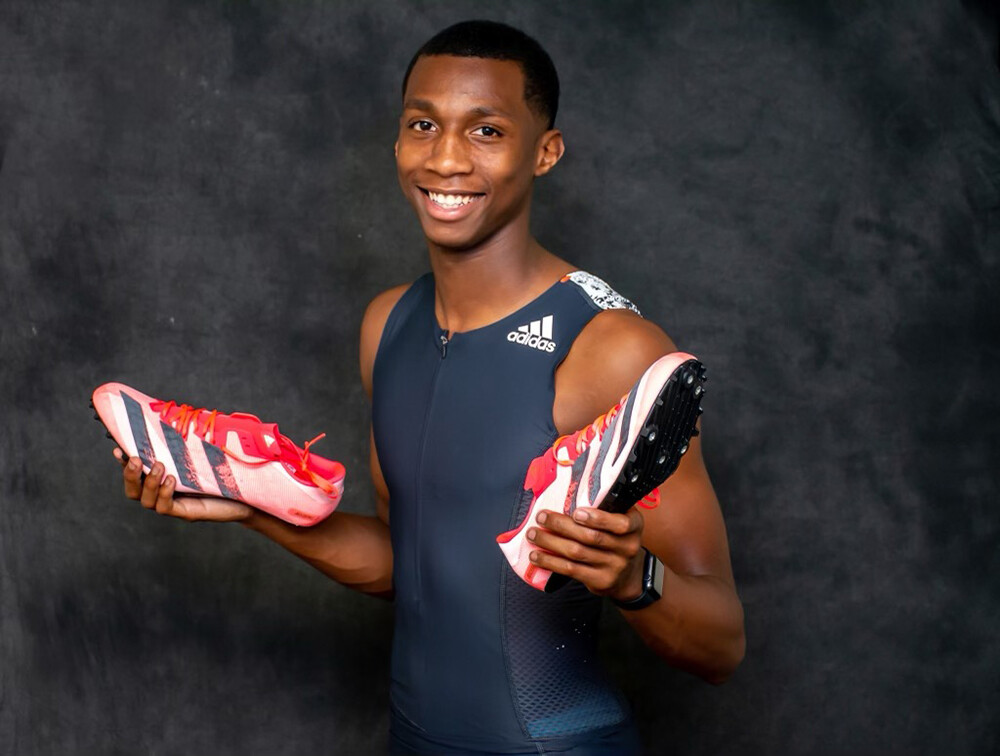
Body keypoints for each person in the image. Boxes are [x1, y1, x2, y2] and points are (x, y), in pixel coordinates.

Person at [116, 20, 744, 755]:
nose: (446, 158)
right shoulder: (388, 324)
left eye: (486, 131)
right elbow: (405, 561)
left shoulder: (612, 348)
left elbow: (721, 644)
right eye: (423, 125)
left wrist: (635, 577)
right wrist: (250, 506)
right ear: (397, 143)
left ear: (545, 152)